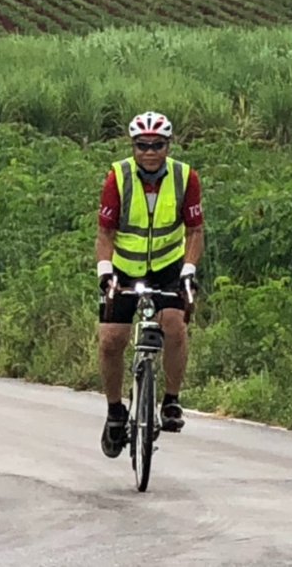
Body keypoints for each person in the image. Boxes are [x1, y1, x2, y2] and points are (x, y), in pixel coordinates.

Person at [96, 111, 204, 458]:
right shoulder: (118, 176)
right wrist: (105, 272)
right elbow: (105, 233)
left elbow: (195, 231)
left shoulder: (185, 177)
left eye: (157, 145)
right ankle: (115, 412)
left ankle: (171, 400)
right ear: (133, 146)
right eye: (142, 146)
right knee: (111, 340)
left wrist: (188, 269)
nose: (150, 152)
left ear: (168, 146)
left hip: (169, 267)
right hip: (125, 268)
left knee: (175, 326)